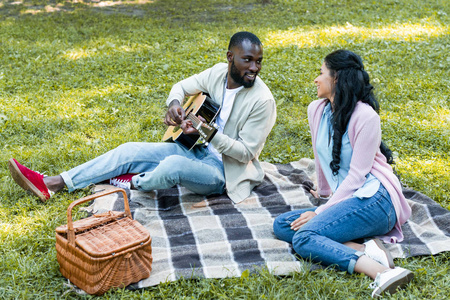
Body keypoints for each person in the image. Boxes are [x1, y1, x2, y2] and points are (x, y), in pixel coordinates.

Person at [8, 31, 276, 204]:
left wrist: (207, 133)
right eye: (248, 60)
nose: (255, 68)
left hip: (224, 172)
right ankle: (53, 183)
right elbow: (181, 88)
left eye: (259, 61)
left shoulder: (262, 101)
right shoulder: (218, 73)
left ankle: (131, 181)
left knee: (172, 166)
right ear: (230, 57)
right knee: (128, 150)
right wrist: (174, 105)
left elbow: (245, 153)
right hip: (194, 149)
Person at [273, 50, 413, 297]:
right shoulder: (316, 110)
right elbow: (320, 157)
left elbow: (358, 177)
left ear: (336, 78)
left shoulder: (366, 116)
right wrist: (325, 193)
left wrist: (318, 212)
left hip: (377, 200)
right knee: (283, 225)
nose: (316, 79)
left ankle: (381, 272)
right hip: (351, 198)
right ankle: (366, 248)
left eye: (321, 73)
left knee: (304, 237)